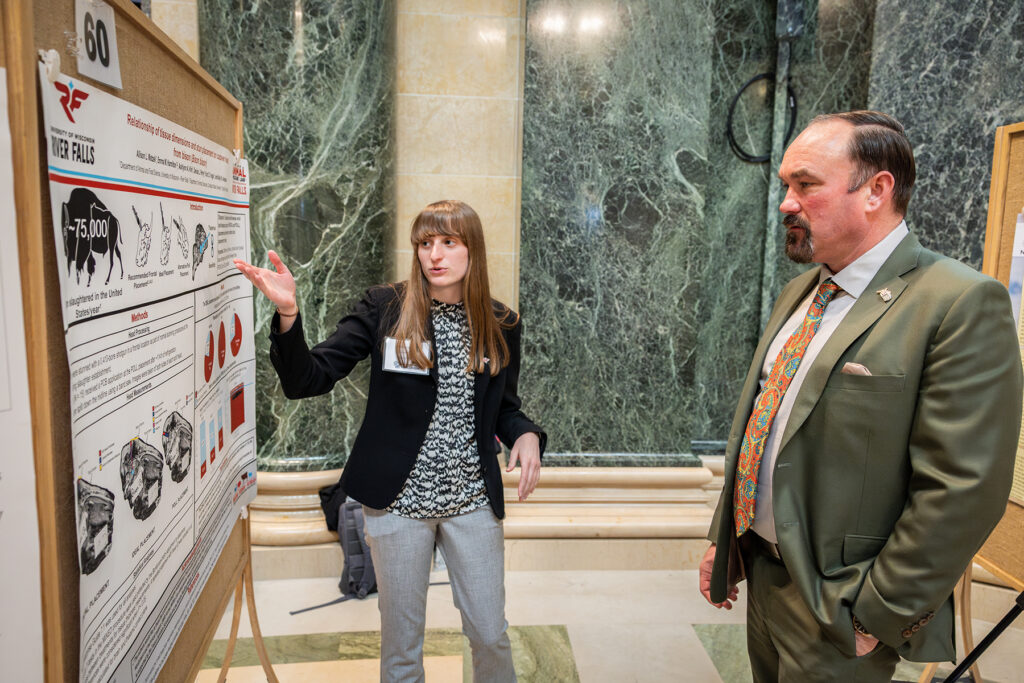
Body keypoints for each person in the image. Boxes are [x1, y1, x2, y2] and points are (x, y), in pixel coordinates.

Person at [699, 111, 1023, 681]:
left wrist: (876, 612)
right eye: (785, 187)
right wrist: (726, 538)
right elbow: (761, 424)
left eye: (806, 184)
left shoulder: (959, 303)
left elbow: (962, 489)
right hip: (764, 572)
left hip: (842, 605)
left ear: (877, 190)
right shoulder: (803, 289)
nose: (786, 204)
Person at [234, 199, 545, 683]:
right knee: (401, 649)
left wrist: (524, 434)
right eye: (425, 243)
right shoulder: (386, 309)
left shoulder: (501, 322)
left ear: (472, 250)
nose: (434, 255)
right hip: (397, 502)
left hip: (472, 501)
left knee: (489, 632)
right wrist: (289, 313)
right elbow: (307, 379)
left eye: (448, 242)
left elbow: (504, 406)